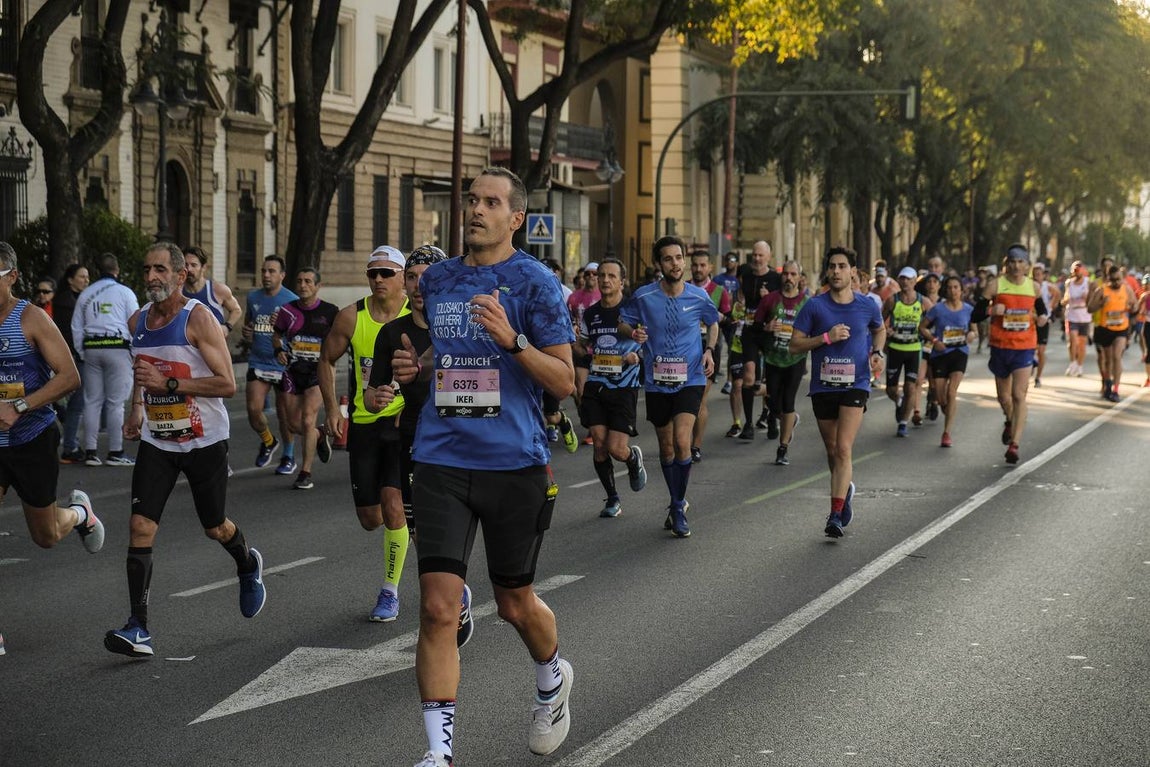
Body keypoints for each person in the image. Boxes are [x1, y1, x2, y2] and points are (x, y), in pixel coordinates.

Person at [391, 167, 576, 767]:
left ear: (516, 217)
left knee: (515, 602)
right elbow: (444, 355)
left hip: (513, 464)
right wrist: (413, 369)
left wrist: (513, 340)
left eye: (491, 202)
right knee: (439, 606)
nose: (476, 210)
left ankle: (552, 677)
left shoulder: (536, 284)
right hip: (441, 457)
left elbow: (565, 381)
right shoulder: (440, 279)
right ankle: (439, 753)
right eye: (472, 199)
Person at [104, 243, 265, 659]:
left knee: (214, 526)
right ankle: (138, 627)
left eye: (160, 269)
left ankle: (246, 562)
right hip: (159, 442)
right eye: (147, 269)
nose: (152, 276)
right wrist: (137, 409)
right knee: (140, 527)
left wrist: (170, 385)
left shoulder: (199, 319)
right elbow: (144, 373)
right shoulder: (137, 320)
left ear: (180, 276)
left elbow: (227, 384)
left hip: (205, 441)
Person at [365, 244, 475, 649]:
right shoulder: (391, 333)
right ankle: (456, 593)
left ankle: (451, 594)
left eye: (427, 278)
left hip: (458, 438)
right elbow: (374, 390)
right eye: (411, 277)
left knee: (447, 526)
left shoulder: (463, 327)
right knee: (419, 529)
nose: (417, 285)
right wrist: (375, 398)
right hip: (411, 436)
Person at [0, 243, 104, 653]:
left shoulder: (31, 319)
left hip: (32, 438)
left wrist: (19, 406)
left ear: (10, 277)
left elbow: (69, 377)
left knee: (44, 536)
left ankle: (80, 513)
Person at [319, 245, 413, 622]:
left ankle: (389, 592)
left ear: (402, 277)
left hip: (402, 424)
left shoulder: (417, 315)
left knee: (393, 506)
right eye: (372, 273)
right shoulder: (350, 317)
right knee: (370, 517)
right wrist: (330, 408)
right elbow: (326, 359)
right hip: (364, 425)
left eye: (386, 273)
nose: (378, 279)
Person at [618, 236, 720, 537]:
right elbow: (623, 323)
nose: (675, 264)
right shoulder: (644, 296)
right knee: (665, 447)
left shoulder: (699, 296)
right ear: (658, 264)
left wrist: (709, 350)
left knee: (682, 441)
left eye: (678, 258)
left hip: (690, 378)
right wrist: (633, 332)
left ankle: (677, 506)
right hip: (656, 381)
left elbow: (713, 322)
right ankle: (676, 500)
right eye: (668, 259)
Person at [790, 246, 885, 538]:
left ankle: (835, 514)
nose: (836, 271)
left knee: (844, 448)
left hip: (855, 384)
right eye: (832, 266)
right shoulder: (815, 306)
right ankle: (845, 489)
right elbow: (795, 344)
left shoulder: (867, 305)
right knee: (832, 451)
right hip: (823, 387)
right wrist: (826, 338)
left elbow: (879, 329)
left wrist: (877, 352)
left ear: (853, 272)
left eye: (842, 266)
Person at [575, 258, 647, 517]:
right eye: (601, 275)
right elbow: (582, 344)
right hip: (597, 385)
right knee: (599, 445)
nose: (605, 280)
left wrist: (636, 357)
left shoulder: (633, 311)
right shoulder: (592, 313)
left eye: (611, 276)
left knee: (616, 449)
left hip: (624, 387)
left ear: (621, 282)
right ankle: (612, 499)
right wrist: (581, 347)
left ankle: (631, 458)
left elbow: (648, 343)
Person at [975, 244, 1046, 465]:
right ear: (1007, 264)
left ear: (1027, 265)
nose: (1016, 266)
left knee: (1018, 395)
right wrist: (989, 310)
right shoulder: (995, 285)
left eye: (1020, 262)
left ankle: (1014, 445)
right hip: (1000, 346)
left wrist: (1042, 318)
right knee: (1004, 398)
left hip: (1024, 347)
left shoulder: (1033, 287)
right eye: (1012, 262)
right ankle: (1009, 419)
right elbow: (975, 314)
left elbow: (1042, 312)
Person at [272, 267, 338, 489]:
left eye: (308, 281)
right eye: (299, 281)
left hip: (317, 374)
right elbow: (277, 335)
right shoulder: (287, 311)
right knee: (292, 424)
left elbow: (339, 342)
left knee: (308, 418)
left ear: (318, 286)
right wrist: (278, 351)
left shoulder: (330, 312)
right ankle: (319, 434)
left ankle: (305, 472)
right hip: (292, 372)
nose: (303, 285)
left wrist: (332, 365)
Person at [71, 253, 139, 466]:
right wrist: (135, 352)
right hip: (118, 349)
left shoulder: (86, 294)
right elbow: (135, 324)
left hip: (92, 348)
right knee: (115, 403)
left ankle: (91, 452)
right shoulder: (125, 293)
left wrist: (82, 352)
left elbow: (76, 326)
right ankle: (115, 451)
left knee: (92, 401)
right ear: (116, 270)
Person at [242, 255, 299, 474]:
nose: (266, 275)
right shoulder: (252, 296)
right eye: (264, 270)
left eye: (272, 271)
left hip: (283, 364)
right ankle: (268, 441)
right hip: (258, 361)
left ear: (282, 275)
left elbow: (299, 333)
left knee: (285, 415)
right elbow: (250, 324)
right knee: (254, 410)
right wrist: (248, 333)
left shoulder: (291, 300)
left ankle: (289, 455)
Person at [755, 260, 809, 466]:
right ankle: (789, 419)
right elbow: (755, 328)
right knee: (773, 402)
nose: (789, 278)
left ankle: (782, 448)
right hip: (772, 358)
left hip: (795, 359)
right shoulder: (770, 300)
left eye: (793, 274)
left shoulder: (806, 303)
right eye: (786, 274)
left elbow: (815, 330)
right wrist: (766, 328)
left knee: (788, 402)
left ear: (799, 278)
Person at [919, 275, 976, 447]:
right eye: (950, 287)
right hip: (941, 354)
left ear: (961, 290)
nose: (953, 291)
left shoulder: (968, 309)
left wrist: (972, 335)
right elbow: (922, 328)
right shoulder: (937, 309)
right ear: (946, 290)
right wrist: (935, 342)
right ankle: (946, 407)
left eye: (956, 287)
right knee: (939, 394)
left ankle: (946, 433)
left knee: (952, 392)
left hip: (959, 352)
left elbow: (974, 331)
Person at [688, 250, 731, 462]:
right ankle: (681, 441)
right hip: (683, 348)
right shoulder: (682, 288)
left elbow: (729, 317)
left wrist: (717, 317)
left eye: (702, 265)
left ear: (710, 267)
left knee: (699, 398)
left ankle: (695, 446)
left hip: (708, 347)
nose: (698, 269)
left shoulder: (719, 291)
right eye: (695, 265)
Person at [736, 240, 781, 439]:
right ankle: (748, 424)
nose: (756, 258)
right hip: (751, 331)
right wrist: (740, 303)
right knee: (749, 375)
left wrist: (769, 297)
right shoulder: (745, 275)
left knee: (771, 379)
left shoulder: (775, 278)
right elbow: (739, 297)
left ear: (768, 257)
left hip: (769, 331)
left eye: (760, 255)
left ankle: (772, 417)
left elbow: (783, 304)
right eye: (754, 254)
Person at [882, 266, 932, 437]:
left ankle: (903, 423)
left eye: (909, 279)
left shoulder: (923, 301)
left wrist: (928, 334)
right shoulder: (892, 300)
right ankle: (898, 400)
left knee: (911, 387)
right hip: (895, 349)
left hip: (914, 350)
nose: (905, 282)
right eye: (902, 278)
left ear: (914, 281)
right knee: (891, 389)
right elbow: (879, 323)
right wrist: (885, 331)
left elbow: (934, 319)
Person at [53, 263, 90, 463]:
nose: (86, 280)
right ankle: (70, 446)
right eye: (82, 276)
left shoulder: (74, 299)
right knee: (77, 403)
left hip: (72, 355)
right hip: (74, 357)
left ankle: (70, 442)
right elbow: (69, 332)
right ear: (70, 279)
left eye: (87, 276)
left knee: (75, 403)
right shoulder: (67, 302)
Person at [1086, 264, 1137, 402]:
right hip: (1105, 329)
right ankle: (1107, 383)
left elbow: (1135, 305)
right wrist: (1101, 304)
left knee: (1116, 357)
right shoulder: (1101, 290)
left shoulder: (1126, 289)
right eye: (1113, 280)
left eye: (1118, 279)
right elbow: (1090, 308)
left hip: (1121, 329)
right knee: (1107, 360)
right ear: (1108, 278)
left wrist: (1133, 307)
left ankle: (1116, 389)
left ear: (1122, 278)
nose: (1116, 283)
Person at [181, 246, 243, 333]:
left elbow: (236, 310)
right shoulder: (177, 291)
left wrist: (227, 327)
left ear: (204, 267)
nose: (189, 269)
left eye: (194, 265)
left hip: (213, 344)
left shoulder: (218, 290)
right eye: (185, 265)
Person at [1031, 262, 1060, 387]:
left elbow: (1058, 294)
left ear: (1043, 275)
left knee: (1041, 351)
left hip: (1043, 321)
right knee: (1031, 349)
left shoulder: (1048, 287)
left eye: (1039, 274)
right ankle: (1030, 366)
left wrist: (1051, 307)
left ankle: (1038, 377)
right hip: (1031, 320)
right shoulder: (1029, 286)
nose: (1037, 276)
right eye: (1035, 274)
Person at [1061, 260, 1091, 376]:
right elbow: (1065, 298)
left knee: (1082, 343)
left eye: (1078, 270)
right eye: (1074, 270)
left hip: (1084, 316)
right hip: (1072, 315)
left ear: (1082, 271)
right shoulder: (1069, 283)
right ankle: (1072, 363)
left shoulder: (1088, 282)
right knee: (1072, 340)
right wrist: (1064, 301)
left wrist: (1087, 298)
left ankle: (1079, 366)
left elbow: (1093, 296)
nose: (1076, 272)